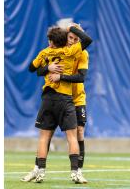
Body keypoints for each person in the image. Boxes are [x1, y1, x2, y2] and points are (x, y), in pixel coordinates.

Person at [21, 25, 92, 184]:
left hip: (76, 97)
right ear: (66, 37)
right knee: (48, 133)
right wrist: (48, 67)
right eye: (70, 38)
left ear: (78, 40)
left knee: (79, 132)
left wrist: (61, 77)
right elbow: (39, 71)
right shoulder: (59, 50)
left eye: (75, 39)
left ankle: (78, 171)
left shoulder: (82, 53)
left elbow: (81, 77)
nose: (72, 41)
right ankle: (36, 169)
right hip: (62, 97)